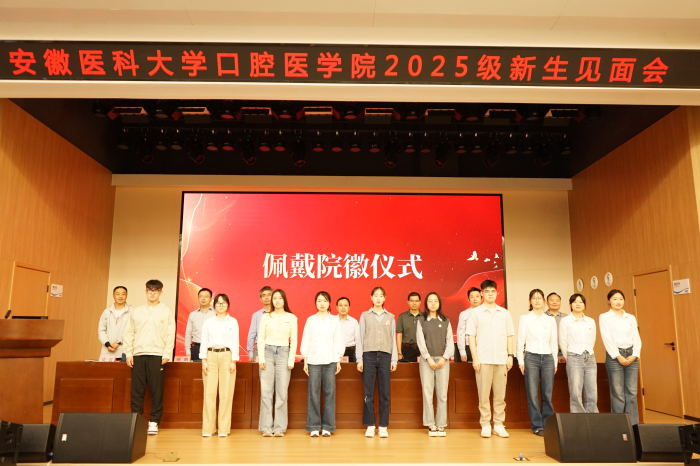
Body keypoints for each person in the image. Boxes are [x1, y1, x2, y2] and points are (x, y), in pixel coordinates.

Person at [122, 279, 176, 435]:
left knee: (156, 390)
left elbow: (170, 333)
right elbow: (129, 332)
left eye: (156, 290)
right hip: (138, 355)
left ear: (161, 292)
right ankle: (136, 421)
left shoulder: (166, 311)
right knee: (136, 390)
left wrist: (167, 353)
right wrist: (129, 353)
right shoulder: (137, 311)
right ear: (145, 291)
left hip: (157, 355)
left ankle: (154, 422)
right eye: (150, 290)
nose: (152, 293)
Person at [467, 279, 515, 439]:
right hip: (483, 359)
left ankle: (499, 424)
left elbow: (509, 335)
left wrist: (510, 355)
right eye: (486, 291)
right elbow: (471, 336)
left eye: (493, 291)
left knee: (500, 395)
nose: (490, 294)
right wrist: (475, 358)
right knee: (484, 395)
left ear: (497, 292)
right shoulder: (475, 313)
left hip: (501, 359)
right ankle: (486, 424)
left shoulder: (504, 313)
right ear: (482, 293)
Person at [301, 291, 344, 437]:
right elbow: (306, 339)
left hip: (330, 359)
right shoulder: (311, 320)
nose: (322, 303)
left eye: (325, 301)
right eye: (319, 301)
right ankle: (313, 426)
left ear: (329, 303)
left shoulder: (334, 320)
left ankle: (327, 426)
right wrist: (305, 360)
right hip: (313, 360)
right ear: (315, 303)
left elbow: (338, 340)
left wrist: (338, 359)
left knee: (329, 393)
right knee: (313, 393)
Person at [356, 286, 398, 438]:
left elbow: (393, 339)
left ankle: (383, 426)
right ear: (371, 298)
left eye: (381, 296)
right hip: (368, 355)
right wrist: (359, 359)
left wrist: (394, 359)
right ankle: (370, 425)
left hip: (386, 356)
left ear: (385, 298)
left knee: (385, 392)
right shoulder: (364, 316)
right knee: (368, 391)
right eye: (376, 295)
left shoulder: (390, 317)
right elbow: (360, 338)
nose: (378, 298)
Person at [517, 289, 558, 436]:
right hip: (531, 357)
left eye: (540, 298)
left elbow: (554, 342)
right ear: (530, 301)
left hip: (548, 358)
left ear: (544, 301)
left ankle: (548, 424)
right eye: (534, 298)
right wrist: (520, 360)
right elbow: (520, 341)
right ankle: (537, 426)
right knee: (532, 393)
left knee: (547, 393)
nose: (537, 300)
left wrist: (555, 362)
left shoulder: (550, 320)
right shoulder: (525, 318)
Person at [258, 289, 298, 437]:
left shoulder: (292, 317)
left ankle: (280, 428)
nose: (277, 300)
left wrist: (291, 359)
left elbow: (294, 340)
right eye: (274, 298)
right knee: (266, 392)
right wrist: (261, 358)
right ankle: (266, 427)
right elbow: (260, 338)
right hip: (267, 353)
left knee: (282, 393)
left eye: (280, 298)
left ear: (284, 300)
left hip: (284, 354)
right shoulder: (266, 317)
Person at [600, 289, 642, 425]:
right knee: (617, 393)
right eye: (614, 299)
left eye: (621, 299)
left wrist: (635, 355)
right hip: (614, 356)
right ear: (609, 301)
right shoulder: (604, 317)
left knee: (632, 392)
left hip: (631, 355)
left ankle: (633, 425)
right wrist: (618, 356)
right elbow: (607, 339)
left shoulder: (630, 317)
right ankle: (619, 425)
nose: (618, 302)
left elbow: (636, 338)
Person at [200, 294, 239, 438]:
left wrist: (233, 361)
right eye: (218, 303)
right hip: (210, 356)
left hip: (227, 356)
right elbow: (204, 341)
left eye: (223, 303)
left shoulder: (233, 321)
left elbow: (235, 341)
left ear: (228, 305)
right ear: (214, 305)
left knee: (226, 394)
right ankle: (208, 428)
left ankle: (223, 428)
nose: (221, 305)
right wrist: (204, 361)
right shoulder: (208, 322)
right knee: (209, 394)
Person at [416, 292, 454, 437]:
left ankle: (441, 424)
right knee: (427, 393)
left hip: (443, 360)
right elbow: (421, 341)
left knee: (442, 394)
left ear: (439, 303)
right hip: (427, 361)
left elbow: (450, 342)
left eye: (435, 301)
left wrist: (444, 358)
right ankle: (431, 424)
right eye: (430, 301)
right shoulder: (421, 320)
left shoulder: (445, 320)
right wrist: (428, 358)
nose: (433, 304)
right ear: (426, 304)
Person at [559, 293, 598, 414]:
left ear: (584, 305)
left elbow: (592, 339)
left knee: (592, 391)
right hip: (574, 356)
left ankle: (592, 417)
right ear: (570, 304)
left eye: (581, 302)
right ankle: (578, 419)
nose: (578, 304)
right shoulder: (565, 321)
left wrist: (587, 351)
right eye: (575, 302)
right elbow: (563, 341)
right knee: (575, 391)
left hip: (590, 356)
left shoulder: (590, 321)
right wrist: (570, 357)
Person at [98, 286, 132, 360]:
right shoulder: (106, 312)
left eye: (123, 294)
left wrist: (118, 342)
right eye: (118, 294)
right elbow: (101, 330)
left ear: (126, 296)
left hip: (124, 352)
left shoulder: (132, 312)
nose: (120, 296)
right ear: (113, 296)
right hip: (107, 352)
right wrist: (107, 344)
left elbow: (132, 331)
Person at [184, 288, 216, 362]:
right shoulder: (192, 315)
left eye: (206, 296)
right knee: (196, 369)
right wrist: (188, 352)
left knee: (212, 369)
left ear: (211, 299)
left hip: (212, 348)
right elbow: (188, 334)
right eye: (201, 296)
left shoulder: (216, 313)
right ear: (198, 298)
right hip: (196, 348)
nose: (203, 298)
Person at [247, 286, 273, 362]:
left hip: (275, 349)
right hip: (260, 348)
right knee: (258, 369)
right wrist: (250, 353)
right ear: (261, 299)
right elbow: (251, 334)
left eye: (269, 295)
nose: (266, 297)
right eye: (264, 295)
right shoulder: (256, 315)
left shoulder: (279, 314)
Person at [456, 287, 482, 363]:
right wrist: (462, 352)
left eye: (477, 296)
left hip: (484, 346)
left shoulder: (486, 313)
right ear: (468, 299)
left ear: (481, 298)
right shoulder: (464, 314)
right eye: (472, 297)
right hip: (469, 347)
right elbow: (460, 333)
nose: (475, 299)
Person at [396, 292, 422, 362]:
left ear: (420, 302)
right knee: (406, 369)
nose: (414, 303)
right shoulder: (402, 317)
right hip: (407, 350)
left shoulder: (424, 317)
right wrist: (399, 353)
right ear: (408, 302)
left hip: (422, 350)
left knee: (422, 369)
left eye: (416, 301)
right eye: (412, 301)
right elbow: (399, 335)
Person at [545, 292, 568, 363]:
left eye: (557, 300)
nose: (555, 302)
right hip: (547, 351)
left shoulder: (566, 317)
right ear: (547, 303)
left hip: (563, 352)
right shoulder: (542, 317)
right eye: (552, 300)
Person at [337, 297, 359, 362]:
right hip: (335, 351)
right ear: (337, 307)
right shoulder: (332, 321)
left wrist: (358, 355)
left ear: (349, 307)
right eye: (340, 305)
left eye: (345, 305)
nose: (343, 308)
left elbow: (358, 340)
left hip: (350, 351)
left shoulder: (354, 322)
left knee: (349, 369)